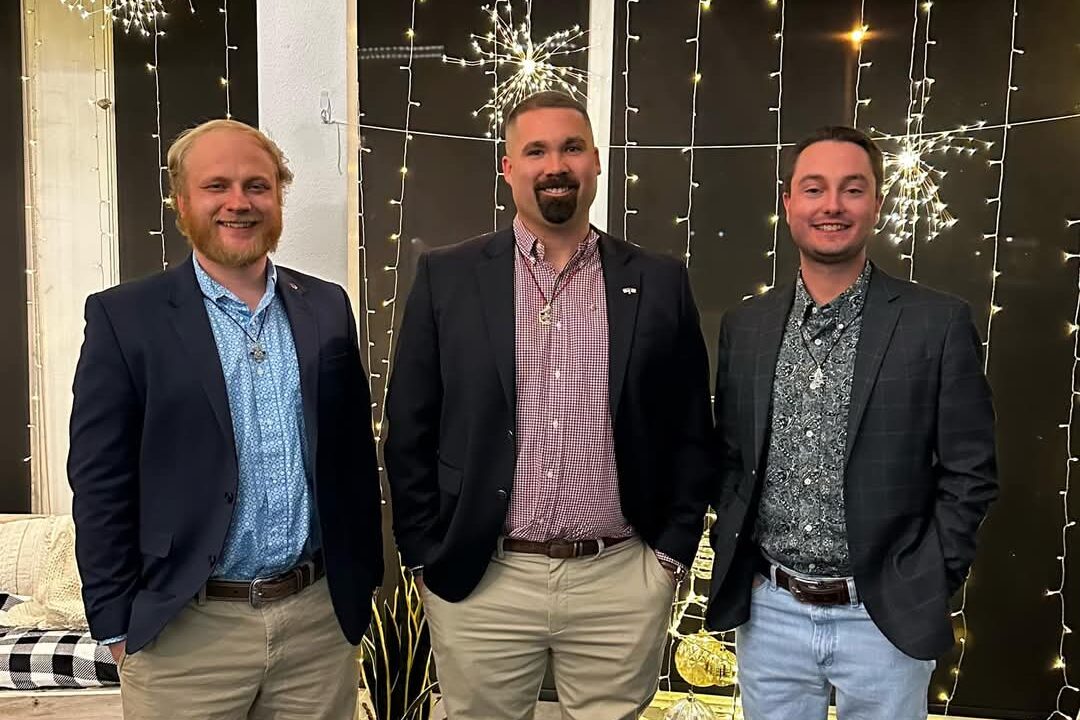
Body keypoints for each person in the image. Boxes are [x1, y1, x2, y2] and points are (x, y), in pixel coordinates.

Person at [384, 91, 713, 720]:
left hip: (620, 576)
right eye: (535, 150)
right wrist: (424, 553)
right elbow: (410, 427)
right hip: (484, 575)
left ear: (595, 163)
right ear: (508, 167)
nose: (554, 164)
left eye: (570, 148)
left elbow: (691, 429)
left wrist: (669, 556)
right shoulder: (447, 276)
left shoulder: (660, 280)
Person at [68, 118, 383, 719]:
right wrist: (113, 619)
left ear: (279, 197)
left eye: (257, 186)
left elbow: (350, 459)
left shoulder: (326, 306)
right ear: (182, 202)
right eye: (217, 186)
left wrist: (361, 584)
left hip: (315, 623)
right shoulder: (125, 318)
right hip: (185, 630)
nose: (239, 203)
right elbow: (99, 480)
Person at [706, 125, 998, 719]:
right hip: (771, 613)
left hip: (883, 614)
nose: (832, 205)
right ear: (789, 204)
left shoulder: (935, 324)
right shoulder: (748, 326)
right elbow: (732, 458)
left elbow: (971, 472)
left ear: (877, 205)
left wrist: (930, 576)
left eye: (852, 189)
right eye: (814, 189)